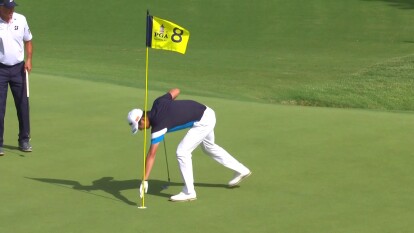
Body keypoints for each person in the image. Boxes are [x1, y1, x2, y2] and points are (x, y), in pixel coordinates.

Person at [127, 88, 251, 202]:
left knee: (182, 152)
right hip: (207, 111)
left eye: (140, 127)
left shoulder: (158, 127)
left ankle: (189, 192)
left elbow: (151, 155)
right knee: (209, 148)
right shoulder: (158, 102)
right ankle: (241, 170)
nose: (141, 130)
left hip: (203, 121)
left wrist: (144, 179)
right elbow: (176, 91)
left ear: (142, 119)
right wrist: (172, 109)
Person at [0, 0, 33, 156]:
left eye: (12, 7)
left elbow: (28, 40)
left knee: (23, 105)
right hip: (1, 69)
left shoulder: (21, 19)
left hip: (19, 69)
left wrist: (28, 60)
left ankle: (24, 140)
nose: (11, 10)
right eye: (8, 8)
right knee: (0, 108)